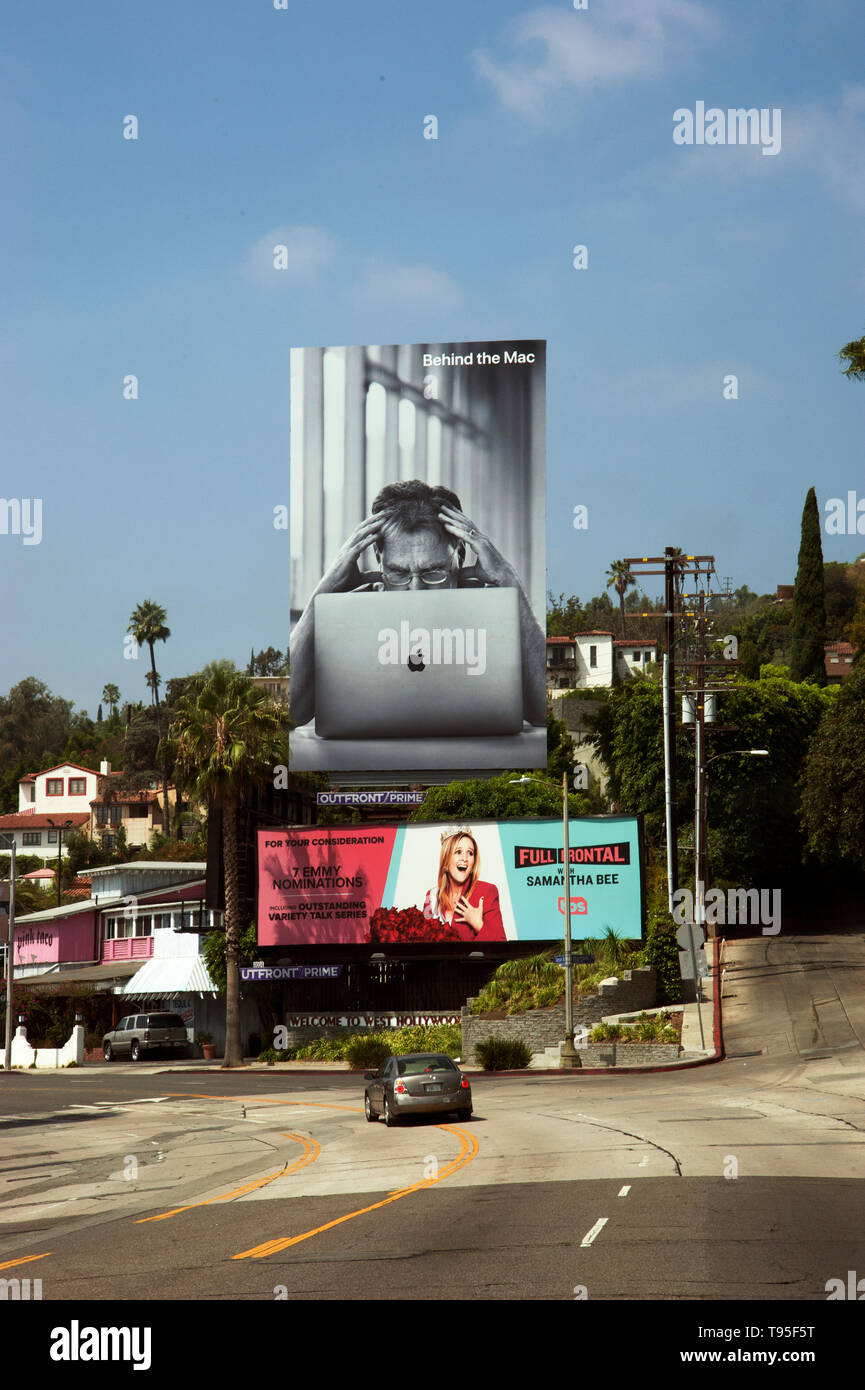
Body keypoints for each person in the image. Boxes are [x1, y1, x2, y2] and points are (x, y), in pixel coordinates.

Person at [289, 480, 546, 727]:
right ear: (379, 559)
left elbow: (542, 712)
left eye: (433, 572)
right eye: (399, 573)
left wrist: (509, 582)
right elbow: (292, 713)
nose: (415, 589)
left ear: (460, 554)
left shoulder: (494, 611)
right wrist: (322, 592)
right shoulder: (348, 613)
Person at [422, 828, 506, 942]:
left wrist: (478, 924)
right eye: (458, 852)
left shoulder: (487, 892)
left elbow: (501, 947)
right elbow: (423, 942)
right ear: (446, 861)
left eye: (470, 853)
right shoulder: (431, 896)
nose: (465, 859)